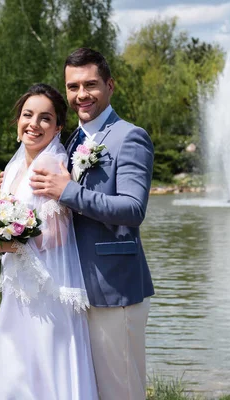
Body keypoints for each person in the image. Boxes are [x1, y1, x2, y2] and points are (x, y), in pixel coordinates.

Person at [29, 48, 155, 399]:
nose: (80, 94)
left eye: (90, 84)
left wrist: (68, 191)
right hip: (71, 290)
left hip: (113, 288)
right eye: (73, 86)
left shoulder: (129, 137)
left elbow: (132, 209)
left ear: (110, 86)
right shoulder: (70, 141)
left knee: (122, 391)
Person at [0, 83, 98, 399]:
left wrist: (11, 244)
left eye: (46, 118)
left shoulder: (50, 164)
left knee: (43, 364)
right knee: (17, 361)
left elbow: (57, 235)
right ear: (18, 121)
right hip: (21, 283)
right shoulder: (15, 166)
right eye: (27, 115)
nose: (34, 124)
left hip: (48, 288)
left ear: (58, 127)